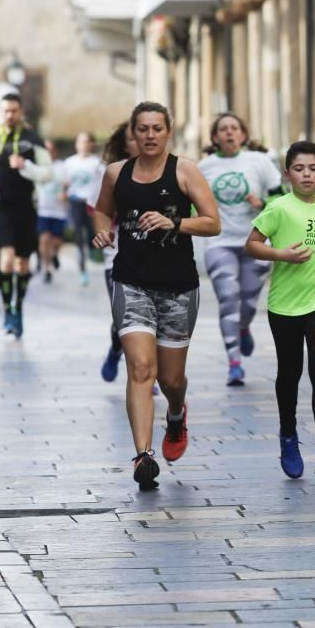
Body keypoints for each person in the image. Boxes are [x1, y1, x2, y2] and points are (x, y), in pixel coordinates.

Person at [92, 101, 220, 491]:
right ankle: (143, 455)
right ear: (134, 133)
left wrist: (175, 222)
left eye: (157, 129)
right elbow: (101, 211)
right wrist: (103, 232)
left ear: (168, 132)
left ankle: (177, 414)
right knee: (141, 370)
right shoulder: (116, 173)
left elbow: (213, 222)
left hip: (179, 286)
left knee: (170, 378)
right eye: (143, 129)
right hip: (131, 283)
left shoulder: (184, 170)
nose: (149, 136)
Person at [245, 141, 315, 478]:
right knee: (289, 373)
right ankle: (288, 435)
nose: (307, 174)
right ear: (287, 173)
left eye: (313, 168)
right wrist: (282, 255)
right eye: (300, 169)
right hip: (283, 304)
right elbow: (252, 245)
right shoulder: (278, 208)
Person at [197, 113, 283, 386]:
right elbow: (191, 205)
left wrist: (262, 203)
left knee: (247, 302)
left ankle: (244, 326)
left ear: (243, 135)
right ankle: (234, 362)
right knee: (228, 298)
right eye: (223, 129)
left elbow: (281, 199)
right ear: (215, 137)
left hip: (255, 242)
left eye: (234, 128)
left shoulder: (260, 162)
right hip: (219, 242)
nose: (229, 133)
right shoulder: (203, 168)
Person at [0, 93, 52, 338]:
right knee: (6, 260)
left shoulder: (33, 140)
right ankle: (7, 313)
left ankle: (17, 307)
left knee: (22, 264)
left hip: (26, 208)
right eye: (6, 111)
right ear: (1, 113)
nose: (10, 115)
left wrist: (26, 167)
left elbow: (47, 173)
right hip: (1, 208)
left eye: (14, 111)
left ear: (21, 112)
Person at [90, 121, 139, 382]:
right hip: (118, 257)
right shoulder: (109, 172)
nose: (143, 139)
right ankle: (116, 350)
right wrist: (104, 230)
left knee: (148, 321)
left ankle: (144, 375)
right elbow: (96, 209)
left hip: (156, 259)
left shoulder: (170, 170)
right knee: (125, 319)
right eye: (134, 136)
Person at [65, 132, 102, 286]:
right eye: (81, 142)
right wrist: (63, 191)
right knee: (79, 234)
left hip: (91, 203)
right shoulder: (69, 162)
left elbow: (107, 181)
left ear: (91, 144)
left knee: (92, 236)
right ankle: (83, 271)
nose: (84, 145)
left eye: (87, 142)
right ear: (76, 144)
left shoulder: (97, 162)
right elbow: (63, 182)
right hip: (75, 201)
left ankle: (95, 257)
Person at [36, 139, 69, 284]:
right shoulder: (39, 166)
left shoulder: (62, 166)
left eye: (50, 149)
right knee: (44, 239)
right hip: (43, 210)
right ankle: (46, 268)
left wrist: (65, 192)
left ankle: (54, 254)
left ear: (55, 151)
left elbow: (68, 183)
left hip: (59, 210)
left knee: (56, 241)